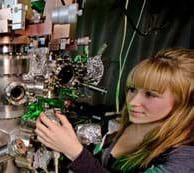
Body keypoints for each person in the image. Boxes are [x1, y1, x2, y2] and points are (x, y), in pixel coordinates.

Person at [35, 48, 194, 172]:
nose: (133, 102)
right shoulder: (119, 126)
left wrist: (75, 152)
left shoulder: (184, 159)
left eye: (150, 94)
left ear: (184, 102)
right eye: (132, 89)